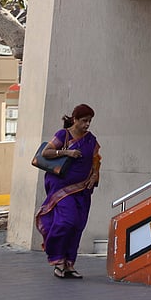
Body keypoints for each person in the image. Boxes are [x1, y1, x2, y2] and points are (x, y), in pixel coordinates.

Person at [35, 103, 101, 279]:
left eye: (89, 121)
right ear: (75, 119)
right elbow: (46, 152)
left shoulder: (91, 139)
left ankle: (69, 264)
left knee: (77, 226)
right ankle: (57, 259)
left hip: (83, 189)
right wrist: (66, 153)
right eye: (84, 121)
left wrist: (94, 176)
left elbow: (96, 160)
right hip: (62, 189)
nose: (87, 124)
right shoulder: (63, 135)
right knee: (67, 221)